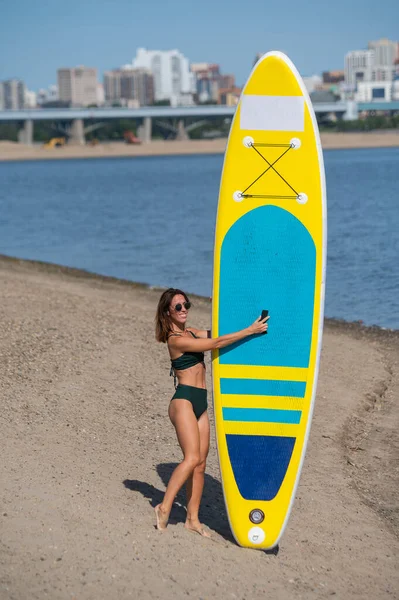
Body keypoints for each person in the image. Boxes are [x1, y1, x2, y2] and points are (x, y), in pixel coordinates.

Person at [154, 287, 268, 536]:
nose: (183, 310)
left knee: (201, 464)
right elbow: (215, 343)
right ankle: (164, 507)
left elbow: (219, 333)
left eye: (186, 305)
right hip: (183, 401)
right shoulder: (176, 340)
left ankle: (192, 519)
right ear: (167, 312)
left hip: (200, 403)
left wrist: (222, 308)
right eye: (178, 307)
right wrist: (250, 331)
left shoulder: (191, 332)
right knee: (191, 458)